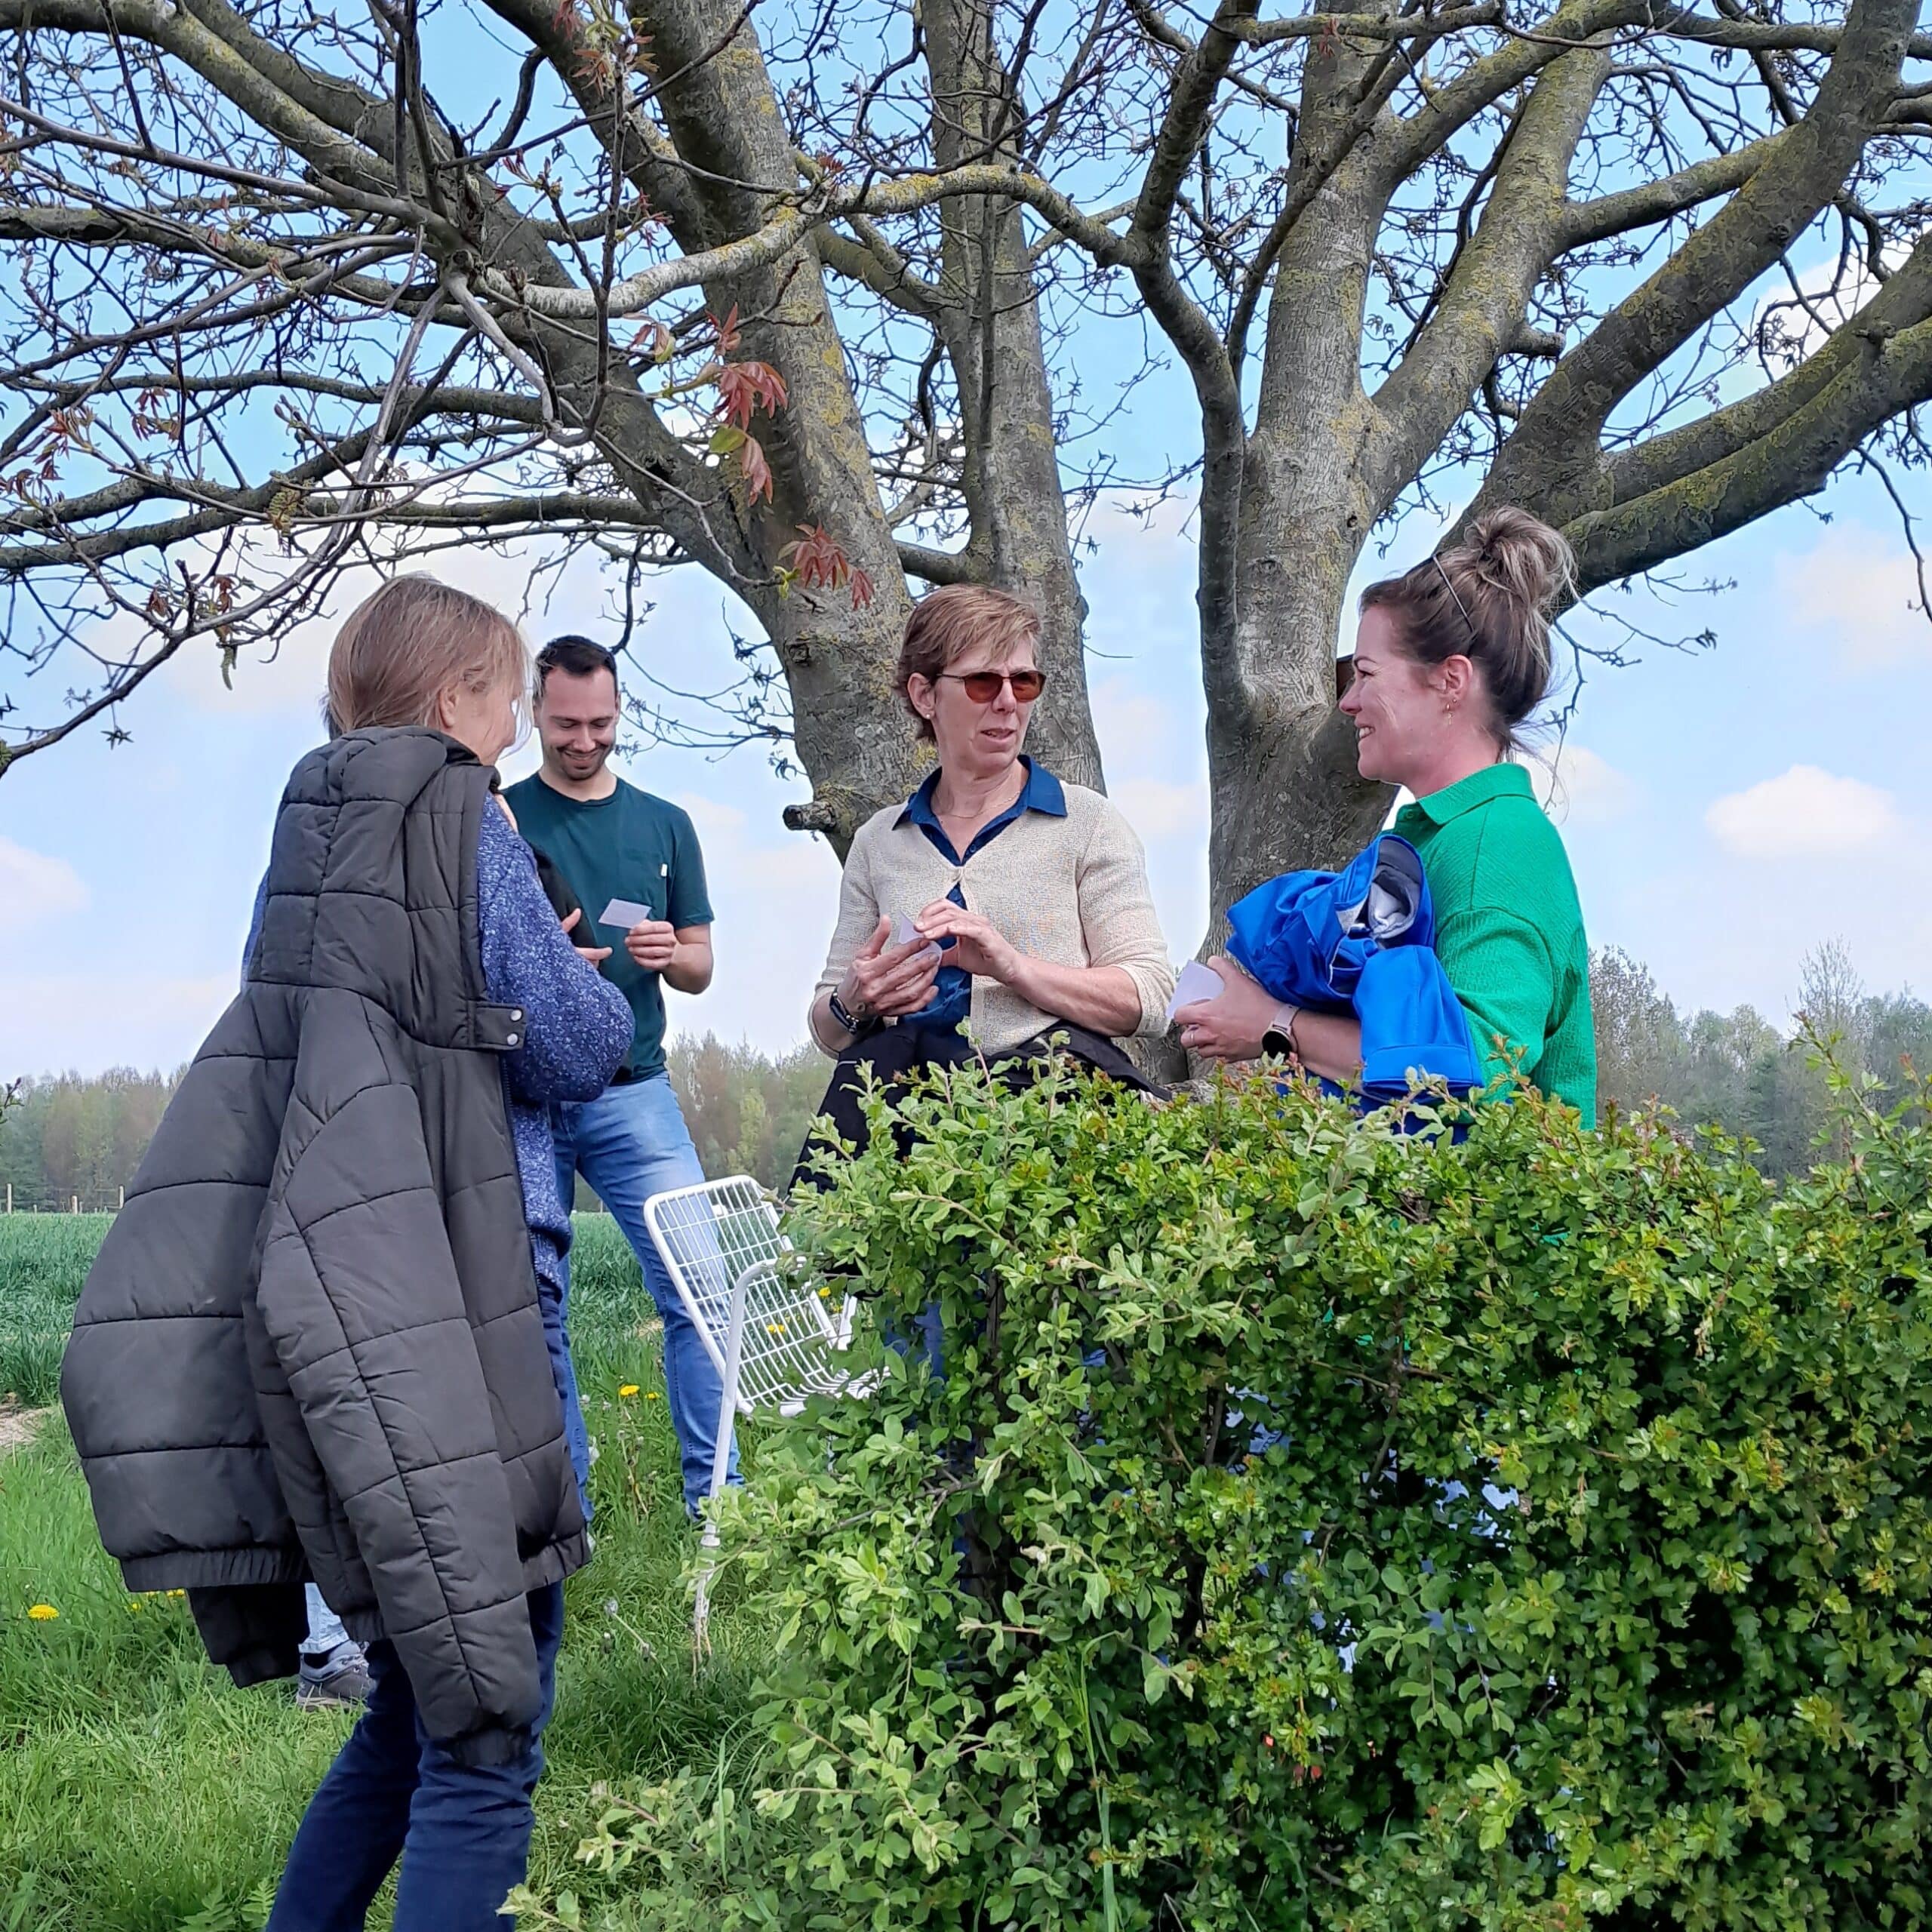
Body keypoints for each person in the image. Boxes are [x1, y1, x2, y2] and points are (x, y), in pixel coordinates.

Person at [62, 575, 634, 1931]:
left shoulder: (307, 845)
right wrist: (580, 974)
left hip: (355, 1285)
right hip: (477, 1286)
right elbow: (574, 1047)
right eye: (502, 702)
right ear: (450, 702)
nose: (512, 730)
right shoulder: (466, 816)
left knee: (412, 1699)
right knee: (491, 1711)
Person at [1178, 507, 1597, 1123]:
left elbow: (1465, 1083)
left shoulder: (1496, 848)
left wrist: (1275, 1025)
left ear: (1451, 681)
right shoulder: (1439, 838)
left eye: (1365, 673)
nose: (1347, 702)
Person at [801, 583, 1176, 1175]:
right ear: (924, 694)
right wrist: (854, 1001)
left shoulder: (1089, 824)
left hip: (1055, 1121)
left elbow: (1151, 997)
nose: (1007, 702)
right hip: (905, 1130)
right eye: (982, 682)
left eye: (1023, 682)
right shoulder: (879, 841)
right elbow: (827, 1029)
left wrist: (1012, 966)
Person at [502, 636, 728, 1518]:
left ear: (618, 712)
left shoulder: (665, 824)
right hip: (526, 1095)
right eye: (565, 724)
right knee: (532, 1309)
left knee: (703, 1288)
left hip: (635, 1090)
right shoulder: (501, 818)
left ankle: (720, 1506)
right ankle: (565, 1517)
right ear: (534, 711)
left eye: (599, 723)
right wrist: (542, 964)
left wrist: (674, 953)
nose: (584, 740)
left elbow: (702, 964)